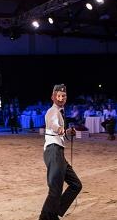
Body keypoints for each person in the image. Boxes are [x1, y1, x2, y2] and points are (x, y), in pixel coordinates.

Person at [39, 84, 81, 220]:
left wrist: (67, 131)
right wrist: (60, 129)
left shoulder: (60, 112)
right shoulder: (52, 111)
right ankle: (45, 217)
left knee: (76, 185)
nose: (61, 98)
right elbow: (52, 124)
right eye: (58, 96)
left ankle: (54, 212)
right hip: (53, 151)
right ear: (53, 97)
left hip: (58, 153)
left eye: (63, 96)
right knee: (55, 190)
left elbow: (58, 129)